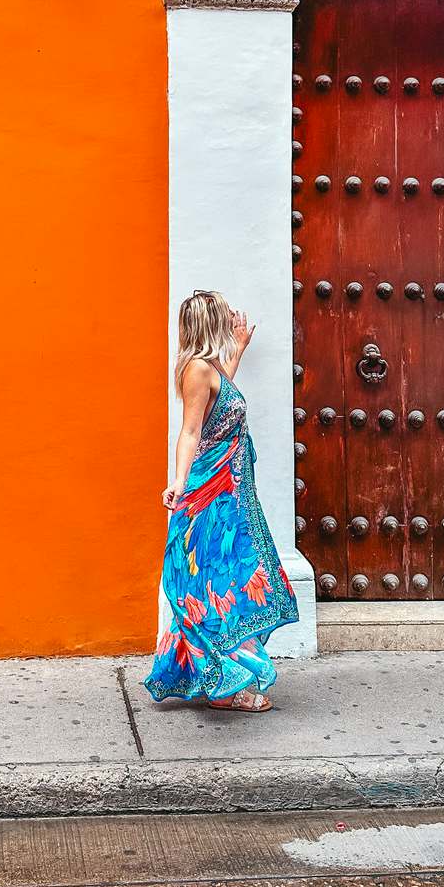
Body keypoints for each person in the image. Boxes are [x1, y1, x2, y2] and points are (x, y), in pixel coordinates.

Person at [144, 289, 298, 713]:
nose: (230, 320)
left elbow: (221, 402)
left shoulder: (210, 369)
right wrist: (178, 481)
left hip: (229, 497)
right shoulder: (196, 370)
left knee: (229, 581)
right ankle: (228, 688)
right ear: (209, 324)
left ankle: (220, 679)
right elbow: (191, 431)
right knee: (220, 584)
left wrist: (240, 348)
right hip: (211, 499)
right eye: (222, 317)